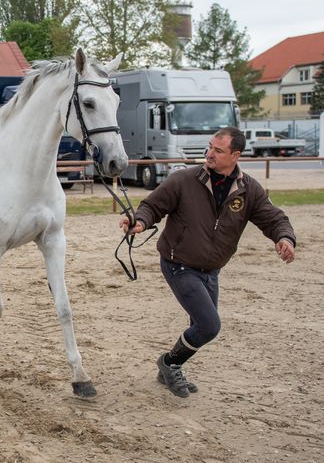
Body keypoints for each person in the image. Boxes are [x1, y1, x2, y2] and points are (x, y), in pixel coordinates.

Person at [119, 127, 296, 397]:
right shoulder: (184, 180)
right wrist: (140, 222)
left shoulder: (249, 190)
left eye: (218, 150)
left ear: (235, 155)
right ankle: (169, 363)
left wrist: (285, 238)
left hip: (211, 270)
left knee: (201, 326)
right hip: (179, 264)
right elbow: (152, 205)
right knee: (209, 326)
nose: (209, 154)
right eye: (210, 147)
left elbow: (273, 218)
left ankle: (168, 367)